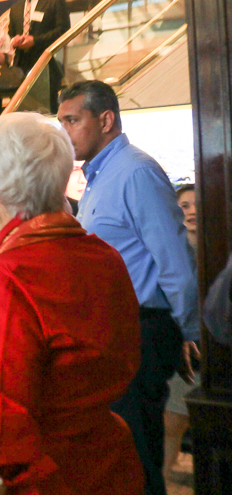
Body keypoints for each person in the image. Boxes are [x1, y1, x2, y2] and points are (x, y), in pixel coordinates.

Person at [0, 111, 144, 495]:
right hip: (109, 463)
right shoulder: (105, 257)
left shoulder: (7, 275)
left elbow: (0, 437)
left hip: (44, 478)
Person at [57, 80, 198, 495]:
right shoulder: (100, 175)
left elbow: (176, 263)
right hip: (116, 332)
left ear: (105, 119)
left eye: (72, 120)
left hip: (141, 332)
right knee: (120, 457)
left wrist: (186, 332)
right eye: (61, 121)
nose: (65, 131)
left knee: (136, 460)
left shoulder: (135, 171)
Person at [164, 183, 197, 481]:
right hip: (183, 346)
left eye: (197, 204)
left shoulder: (219, 246)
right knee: (173, 420)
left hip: (212, 345)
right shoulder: (173, 251)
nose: (192, 210)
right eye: (185, 205)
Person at [8, 0, 70, 112]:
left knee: (46, 112)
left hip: (46, 67)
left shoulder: (54, 2)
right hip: (21, 69)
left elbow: (63, 31)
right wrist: (14, 40)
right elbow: (10, 33)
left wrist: (35, 41)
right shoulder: (15, 9)